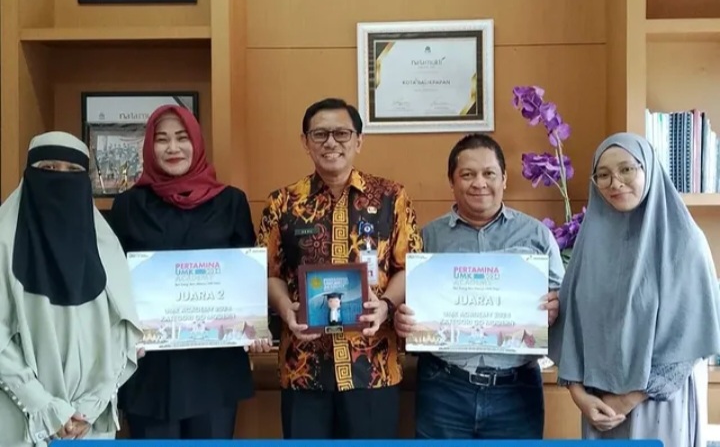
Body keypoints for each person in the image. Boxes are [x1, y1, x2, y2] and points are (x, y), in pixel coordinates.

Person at [257, 97, 423, 439]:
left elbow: (409, 265)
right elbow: (269, 272)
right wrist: (286, 309)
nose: (331, 142)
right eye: (320, 134)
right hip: (304, 367)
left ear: (358, 141)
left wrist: (386, 305)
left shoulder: (391, 197)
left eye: (342, 133)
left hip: (373, 366)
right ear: (305, 142)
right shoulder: (282, 203)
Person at [109, 104, 270, 440]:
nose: (173, 148)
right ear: (149, 146)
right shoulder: (127, 206)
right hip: (150, 369)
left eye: (182, 138)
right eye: (162, 139)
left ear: (196, 142)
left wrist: (255, 327)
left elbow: (246, 280)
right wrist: (122, 335)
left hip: (214, 368)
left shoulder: (231, 202)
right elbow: (113, 281)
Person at [549, 132, 720, 444]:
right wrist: (579, 396)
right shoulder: (588, 247)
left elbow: (691, 338)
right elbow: (571, 327)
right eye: (603, 175)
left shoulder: (685, 244)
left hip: (659, 405)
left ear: (649, 169)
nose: (615, 183)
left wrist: (626, 401)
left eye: (627, 169)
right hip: (599, 408)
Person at [394, 133, 563, 440]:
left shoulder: (536, 235)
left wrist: (555, 307)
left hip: (516, 391)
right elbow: (405, 303)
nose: (479, 183)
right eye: (467, 174)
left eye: (489, 174)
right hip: (443, 388)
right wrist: (402, 320)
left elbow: (563, 301)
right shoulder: (426, 239)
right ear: (452, 181)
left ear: (504, 179)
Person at [0, 131, 142, 446]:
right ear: (29, 174)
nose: (60, 178)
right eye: (48, 169)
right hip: (22, 420)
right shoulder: (4, 241)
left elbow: (123, 335)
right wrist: (46, 408)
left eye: (73, 170)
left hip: (88, 424)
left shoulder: (106, 247)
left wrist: (88, 407)